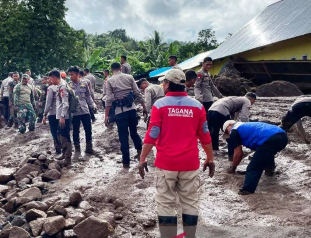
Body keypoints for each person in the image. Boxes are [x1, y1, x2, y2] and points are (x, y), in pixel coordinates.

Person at [138, 69, 215, 238]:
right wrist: (210, 158)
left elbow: (153, 134)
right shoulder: (197, 106)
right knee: (190, 201)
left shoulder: (160, 105)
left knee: (166, 203)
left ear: (166, 84)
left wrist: (142, 157)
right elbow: (205, 135)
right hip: (189, 163)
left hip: (166, 164)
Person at [223, 120, 288, 195]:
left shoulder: (234, 130)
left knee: (253, 167)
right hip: (283, 136)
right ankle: (269, 169)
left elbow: (238, 154)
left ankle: (247, 190)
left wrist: (233, 167)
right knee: (266, 152)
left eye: (226, 131)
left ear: (230, 125)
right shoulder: (246, 126)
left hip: (270, 139)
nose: (228, 134)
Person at [105, 62, 148, 168]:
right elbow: (137, 93)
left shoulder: (109, 81)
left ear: (111, 70)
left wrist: (106, 115)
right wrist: (144, 107)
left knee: (123, 137)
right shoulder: (129, 77)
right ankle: (140, 154)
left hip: (120, 112)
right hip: (132, 110)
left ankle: (126, 162)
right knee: (134, 133)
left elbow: (109, 99)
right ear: (121, 67)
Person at [68, 66, 97, 155]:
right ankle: (77, 150)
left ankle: (89, 148)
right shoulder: (68, 86)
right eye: (69, 75)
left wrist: (92, 105)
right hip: (75, 112)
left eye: (72, 74)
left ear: (77, 74)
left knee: (88, 129)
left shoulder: (84, 83)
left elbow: (88, 96)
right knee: (75, 131)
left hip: (85, 110)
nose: (70, 77)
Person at [49, 69, 73, 166]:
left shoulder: (63, 86)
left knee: (65, 136)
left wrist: (62, 116)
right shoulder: (60, 85)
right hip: (61, 116)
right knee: (61, 134)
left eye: (51, 79)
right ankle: (64, 154)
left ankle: (67, 159)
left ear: (55, 77)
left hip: (64, 116)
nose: (51, 81)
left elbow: (65, 103)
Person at [42, 76, 61, 154]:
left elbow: (48, 103)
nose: (48, 80)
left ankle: (58, 149)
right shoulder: (63, 86)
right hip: (62, 113)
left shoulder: (51, 88)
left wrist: (44, 114)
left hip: (53, 113)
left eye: (50, 78)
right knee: (61, 131)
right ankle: (64, 149)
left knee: (54, 131)